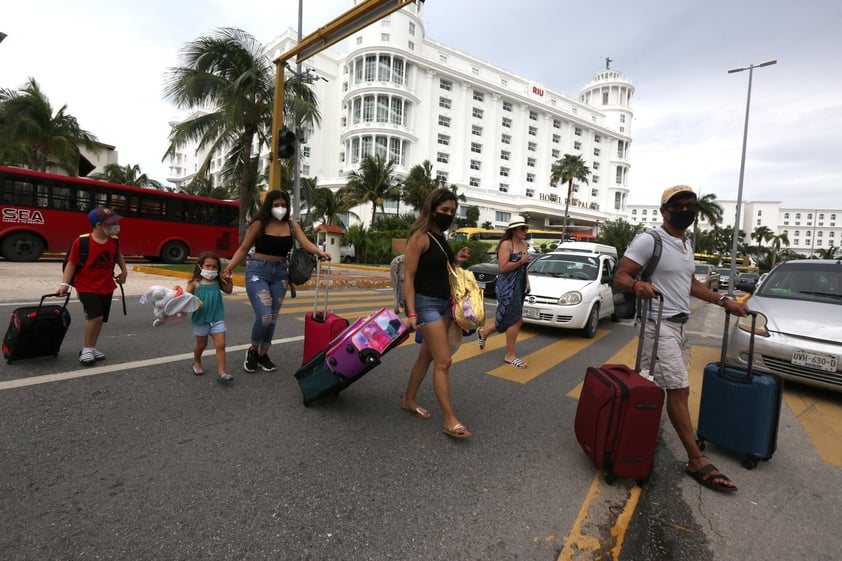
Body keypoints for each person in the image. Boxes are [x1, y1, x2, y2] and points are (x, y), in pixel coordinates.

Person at [615, 185, 749, 492]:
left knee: (652, 386)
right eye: (679, 204)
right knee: (678, 388)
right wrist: (637, 287)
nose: (687, 209)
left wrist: (723, 301)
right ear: (664, 211)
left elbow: (690, 284)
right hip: (656, 322)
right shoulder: (650, 240)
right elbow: (622, 275)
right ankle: (695, 458)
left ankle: (634, 443)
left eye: (691, 204)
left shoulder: (686, 245)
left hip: (679, 325)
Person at [222, 190, 330, 373]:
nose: (280, 208)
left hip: (280, 273)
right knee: (264, 315)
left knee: (272, 318)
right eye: (276, 205)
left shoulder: (291, 225)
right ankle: (253, 350)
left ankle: (264, 353)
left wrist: (320, 252)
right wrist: (229, 267)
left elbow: (305, 243)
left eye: (283, 205)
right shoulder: (258, 225)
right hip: (258, 271)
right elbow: (243, 248)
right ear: (269, 206)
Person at [402, 188, 472, 439]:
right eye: (444, 210)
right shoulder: (419, 237)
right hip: (426, 304)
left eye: (452, 211)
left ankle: (408, 399)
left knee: (426, 356)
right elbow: (408, 278)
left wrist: (457, 260)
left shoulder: (440, 236)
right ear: (431, 209)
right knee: (444, 361)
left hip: (444, 304)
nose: (449, 215)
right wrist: (411, 313)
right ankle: (449, 420)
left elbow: (440, 268)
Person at [58, 208, 128, 366]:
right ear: (99, 225)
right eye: (112, 223)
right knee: (95, 317)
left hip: (106, 286)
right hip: (86, 286)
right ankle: (87, 349)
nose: (117, 225)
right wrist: (64, 284)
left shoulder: (114, 240)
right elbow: (71, 263)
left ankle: (92, 347)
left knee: (100, 319)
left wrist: (124, 271)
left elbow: (118, 255)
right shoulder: (82, 242)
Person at [476, 215, 531, 368]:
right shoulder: (506, 244)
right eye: (522, 228)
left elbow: (524, 267)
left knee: (509, 317)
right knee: (516, 319)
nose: (525, 231)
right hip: (507, 285)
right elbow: (502, 268)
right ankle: (510, 355)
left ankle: (485, 332)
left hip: (519, 285)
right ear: (514, 230)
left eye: (526, 228)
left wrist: (527, 281)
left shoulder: (524, 244)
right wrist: (520, 261)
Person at [187, 251, 234, 384]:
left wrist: (230, 281)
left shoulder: (218, 281)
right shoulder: (194, 283)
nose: (211, 269)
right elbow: (185, 299)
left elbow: (228, 290)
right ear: (201, 266)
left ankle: (222, 372)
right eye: (208, 266)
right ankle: (197, 362)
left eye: (214, 267)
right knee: (201, 345)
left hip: (217, 318)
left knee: (221, 345)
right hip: (200, 319)